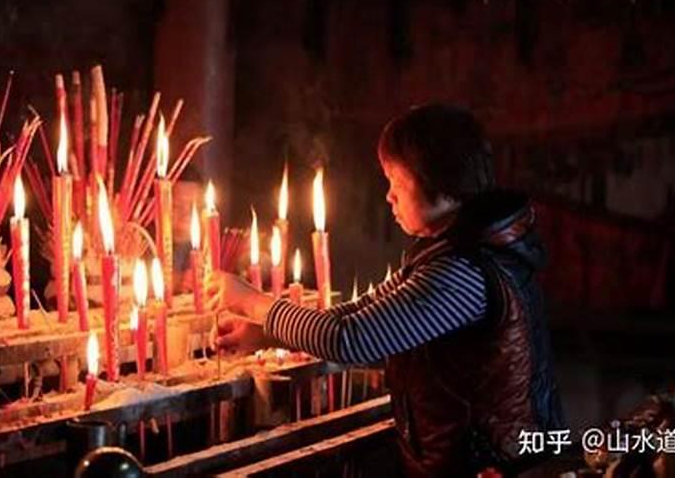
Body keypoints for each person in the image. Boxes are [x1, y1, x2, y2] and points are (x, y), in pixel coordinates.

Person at [210, 103, 565, 477]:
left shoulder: (464, 271)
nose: (389, 197)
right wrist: (268, 334)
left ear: (438, 183)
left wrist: (250, 301)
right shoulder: (450, 251)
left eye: (396, 183)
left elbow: (351, 339)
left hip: (494, 467)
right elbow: (361, 313)